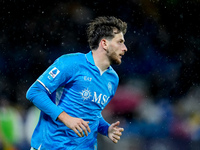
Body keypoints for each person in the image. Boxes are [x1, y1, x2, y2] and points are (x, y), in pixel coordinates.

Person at [26, 16, 128, 150]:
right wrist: (66, 118)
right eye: (120, 42)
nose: (125, 48)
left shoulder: (112, 79)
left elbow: (92, 113)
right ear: (104, 43)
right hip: (52, 145)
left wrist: (106, 129)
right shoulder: (71, 63)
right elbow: (34, 92)